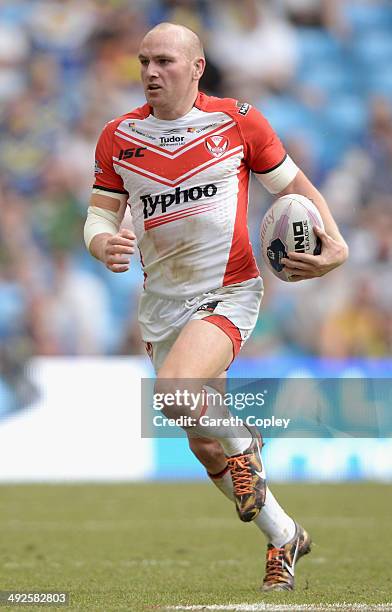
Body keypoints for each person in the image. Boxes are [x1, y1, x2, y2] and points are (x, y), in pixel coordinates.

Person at [84, 22, 348, 592]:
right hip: (162, 305)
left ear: (197, 67)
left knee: (175, 394)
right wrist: (102, 242)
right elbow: (101, 215)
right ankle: (284, 536)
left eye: (165, 61)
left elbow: (295, 188)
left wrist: (337, 243)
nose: (152, 72)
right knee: (203, 444)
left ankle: (245, 442)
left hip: (228, 291)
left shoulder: (238, 121)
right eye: (144, 61)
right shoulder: (118, 136)